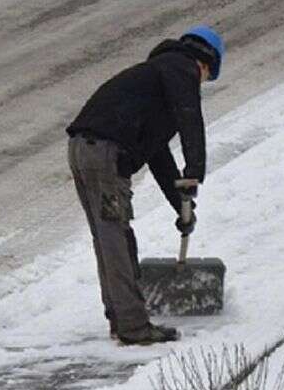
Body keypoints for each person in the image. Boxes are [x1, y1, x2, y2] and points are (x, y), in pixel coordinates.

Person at [66, 26, 224, 345]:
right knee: (117, 237)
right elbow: (190, 117)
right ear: (206, 63)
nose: (200, 84)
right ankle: (133, 327)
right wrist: (195, 170)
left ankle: (120, 319)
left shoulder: (156, 80)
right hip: (105, 153)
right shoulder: (182, 67)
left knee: (108, 237)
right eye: (205, 78)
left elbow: (159, 156)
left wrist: (182, 204)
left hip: (84, 150)